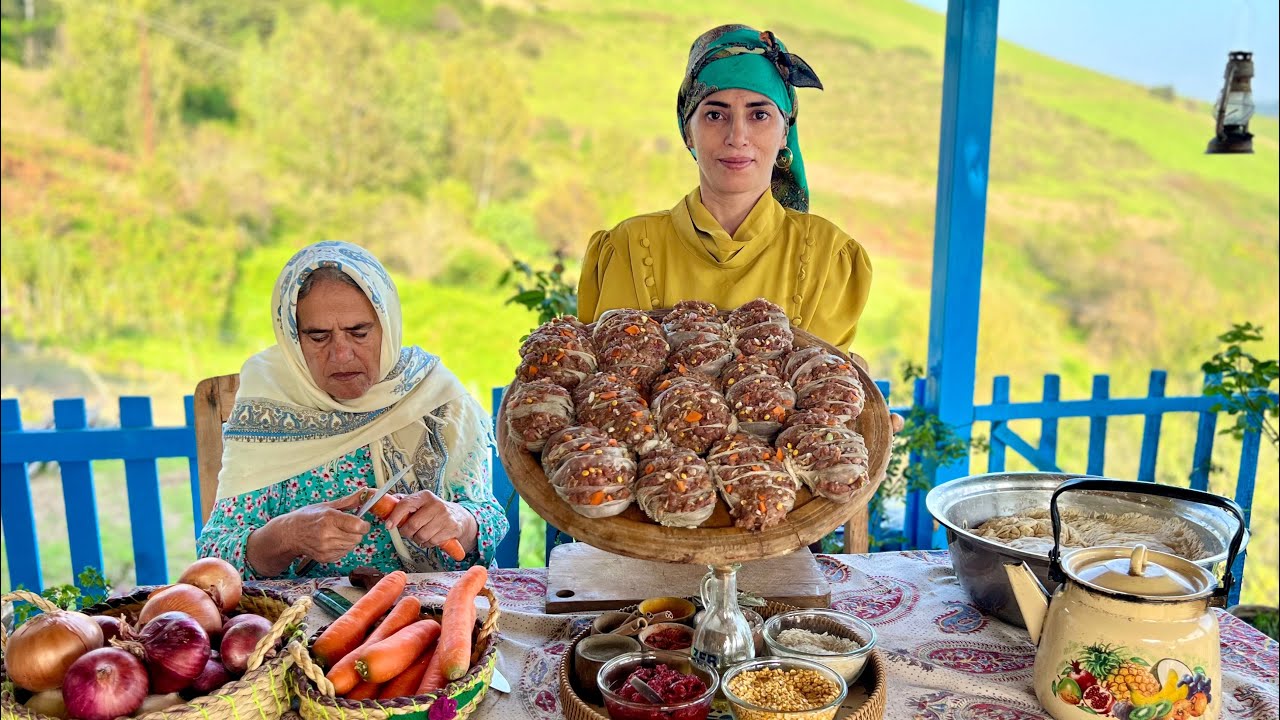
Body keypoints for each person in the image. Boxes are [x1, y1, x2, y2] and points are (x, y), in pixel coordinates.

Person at [197, 241, 508, 578]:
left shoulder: (433, 394)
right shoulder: (268, 398)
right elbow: (216, 555)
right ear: (292, 337)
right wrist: (288, 536)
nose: (341, 354)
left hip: (434, 610)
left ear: (387, 326)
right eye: (318, 336)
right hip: (303, 620)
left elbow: (487, 517)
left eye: (359, 332)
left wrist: (459, 520)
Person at [577, 24, 873, 351]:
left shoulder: (828, 257)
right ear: (687, 132)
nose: (737, 137)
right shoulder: (627, 250)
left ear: (784, 132)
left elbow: (828, 391)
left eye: (759, 114)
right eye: (715, 115)